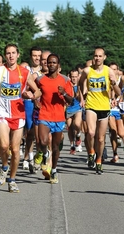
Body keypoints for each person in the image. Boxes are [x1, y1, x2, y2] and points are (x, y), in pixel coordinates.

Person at [0, 43, 41, 193]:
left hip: (18, 113)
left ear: (18, 54)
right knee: (3, 146)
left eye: (13, 53)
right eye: (8, 53)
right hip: (2, 112)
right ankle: (4, 167)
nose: (10, 56)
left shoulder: (24, 72)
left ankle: (12, 180)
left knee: (15, 150)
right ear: (5, 56)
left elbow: (38, 91)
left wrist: (32, 95)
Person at [78, 47, 121, 174]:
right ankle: (91, 151)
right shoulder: (87, 71)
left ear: (104, 57)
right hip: (91, 105)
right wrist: (82, 97)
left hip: (104, 107)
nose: (97, 58)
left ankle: (99, 160)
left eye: (100, 56)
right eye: (95, 56)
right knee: (91, 133)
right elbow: (80, 84)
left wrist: (113, 84)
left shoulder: (108, 71)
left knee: (101, 139)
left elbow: (118, 93)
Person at [36, 53, 73, 183]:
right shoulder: (40, 80)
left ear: (58, 65)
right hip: (44, 115)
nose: (51, 65)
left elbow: (71, 101)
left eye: (54, 63)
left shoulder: (65, 80)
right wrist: (34, 99)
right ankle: (45, 154)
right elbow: (34, 92)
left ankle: (54, 170)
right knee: (42, 141)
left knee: (56, 147)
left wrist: (63, 93)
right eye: (49, 62)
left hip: (58, 118)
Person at [23, 46, 42, 172]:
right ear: (31, 57)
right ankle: (28, 158)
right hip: (29, 103)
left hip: (43, 105)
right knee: (30, 132)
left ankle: (39, 157)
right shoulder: (25, 70)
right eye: (34, 55)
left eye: (39, 56)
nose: (37, 58)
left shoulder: (45, 70)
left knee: (40, 135)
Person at [107, 62, 124, 163]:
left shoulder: (122, 79)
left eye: (114, 69)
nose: (112, 71)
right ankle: (115, 154)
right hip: (110, 108)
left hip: (120, 108)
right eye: (111, 69)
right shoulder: (106, 79)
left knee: (122, 133)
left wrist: (120, 99)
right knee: (113, 131)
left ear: (118, 70)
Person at [66, 68, 83, 155]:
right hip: (69, 109)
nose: (74, 78)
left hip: (77, 108)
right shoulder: (67, 85)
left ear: (78, 76)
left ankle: (78, 135)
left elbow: (82, 95)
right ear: (69, 77)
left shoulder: (80, 85)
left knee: (76, 124)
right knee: (69, 127)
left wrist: (82, 101)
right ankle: (72, 146)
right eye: (72, 77)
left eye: (76, 77)